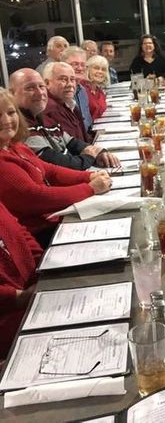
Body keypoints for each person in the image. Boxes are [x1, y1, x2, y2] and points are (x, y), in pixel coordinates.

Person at [0, 89, 112, 246]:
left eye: (11, 112)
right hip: (40, 236)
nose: (6, 120)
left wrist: (88, 176)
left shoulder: (15, 146)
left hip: (54, 220)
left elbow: (50, 170)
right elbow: (37, 197)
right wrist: (90, 188)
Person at [10, 68, 119, 169]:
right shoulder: (19, 127)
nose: (40, 93)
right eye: (30, 88)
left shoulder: (43, 117)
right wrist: (90, 157)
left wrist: (99, 152)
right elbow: (57, 162)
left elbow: (72, 142)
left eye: (41, 86)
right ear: (12, 93)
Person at [0, 201, 43, 359]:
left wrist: (43, 266)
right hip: (8, 315)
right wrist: (17, 297)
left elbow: (18, 232)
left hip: (28, 292)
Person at [43, 62, 90, 143]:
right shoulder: (50, 109)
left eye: (72, 79)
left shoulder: (71, 104)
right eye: (63, 79)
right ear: (47, 83)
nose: (70, 84)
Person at [61, 46, 93, 132]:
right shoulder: (61, 92)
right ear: (63, 65)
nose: (80, 68)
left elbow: (88, 123)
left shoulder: (83, 91)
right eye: (75, 64)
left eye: (83, 65)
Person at [81, 54, 109, 120]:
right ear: (88, 69)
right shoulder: (81, 89)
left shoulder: (99, 91)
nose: (100, 72)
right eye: (96, 68)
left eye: (103, 69)